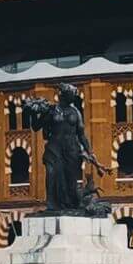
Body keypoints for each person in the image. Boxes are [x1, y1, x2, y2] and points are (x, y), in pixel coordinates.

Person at [23, 84, 110, 212]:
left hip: (71, 150)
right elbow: (36, 127)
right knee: (52, 174)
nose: (74, 97)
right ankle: (51, 204)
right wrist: (31, 113)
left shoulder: (75, 112)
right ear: (63, 95)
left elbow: (81, 134)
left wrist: (90, 151)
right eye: (72, 94)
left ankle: (70, 204)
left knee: (71, 179)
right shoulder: (51, 110)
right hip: (54, 148)